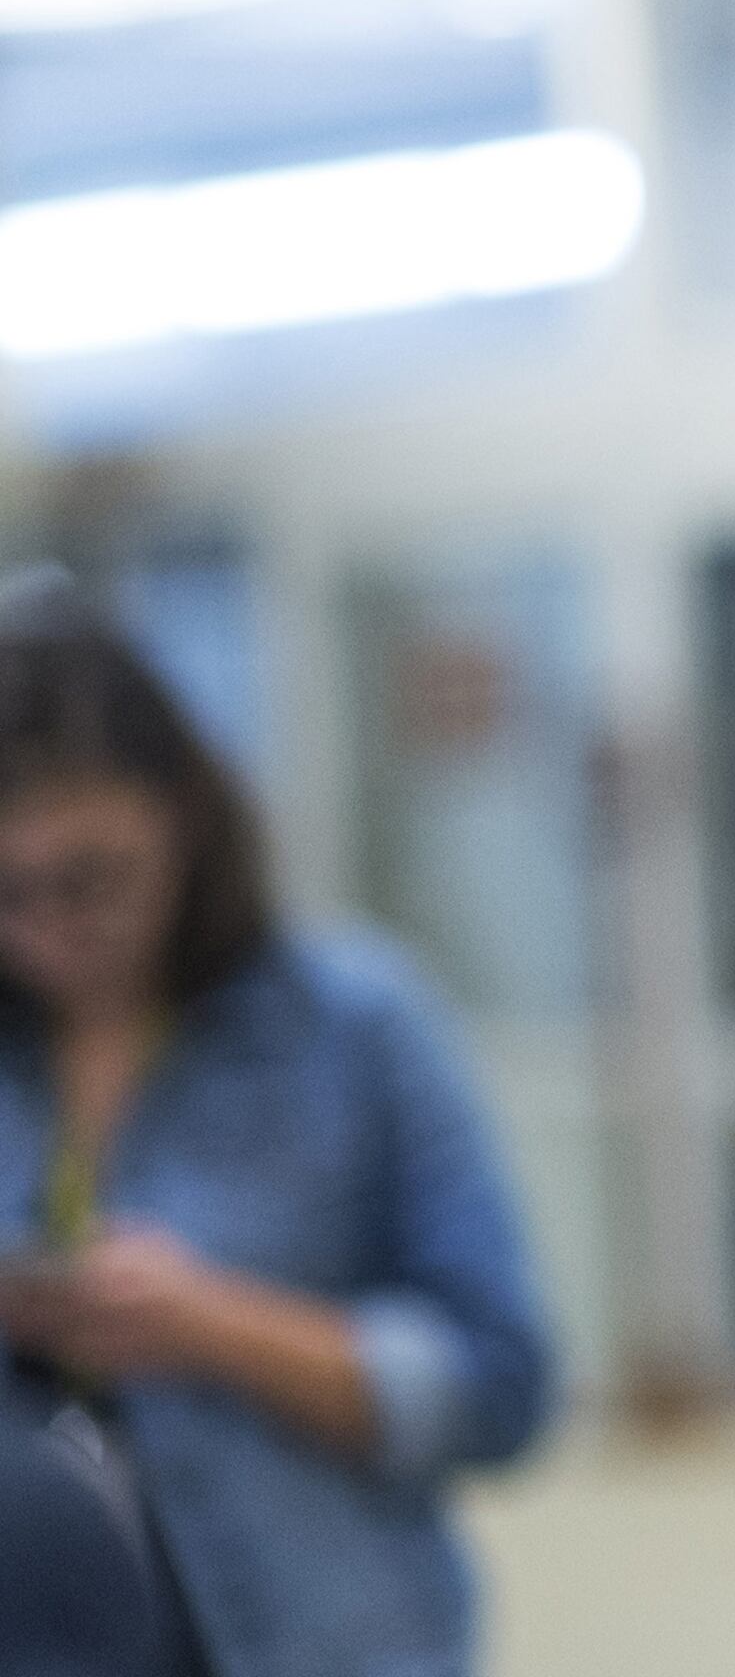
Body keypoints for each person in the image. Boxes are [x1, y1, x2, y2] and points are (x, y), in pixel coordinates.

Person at [0, 577, 552, 1677]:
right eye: (10, 891)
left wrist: (214, 1325)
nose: (51, 927)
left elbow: (500, 1387)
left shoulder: (355, 1027)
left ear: (189, 827)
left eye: (91, 879)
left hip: (315, 1631)